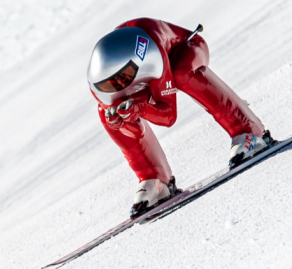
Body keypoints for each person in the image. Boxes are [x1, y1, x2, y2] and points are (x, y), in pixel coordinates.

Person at [87, 18, 272, 217]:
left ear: (132, 65)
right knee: (107, 114)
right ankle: (154, 178)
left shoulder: (149, 52)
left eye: (123, 79)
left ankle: (249, 130)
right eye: (111, 85)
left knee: (182, 72)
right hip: (145, 76)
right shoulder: (102, 86)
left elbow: (168, 115)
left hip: (186, 48)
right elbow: (131, 128)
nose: (118, 87)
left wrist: (140, 108)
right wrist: (121, 122)